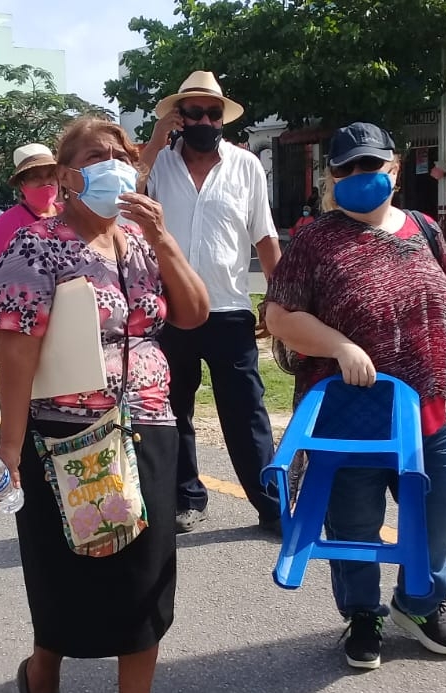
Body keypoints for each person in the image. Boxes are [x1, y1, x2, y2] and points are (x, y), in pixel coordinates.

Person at [0, 115, 209, 693]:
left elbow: (192, 315)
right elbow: (15, 347)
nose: (111, 163)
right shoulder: (36, 245)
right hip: (67, 436)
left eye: (120, 154)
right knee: (67, 573)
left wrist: (163, 238)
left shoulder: (138, 240)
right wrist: (10, 449)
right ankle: (41, 679)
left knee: (146, 573)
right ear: (67, 175)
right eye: (93, 155)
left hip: (150, 426)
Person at [264, 122, 446, 668]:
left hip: (429, 410)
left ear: (395, 168)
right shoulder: (315, 240)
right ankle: (364, 614)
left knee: (444, 506)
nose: (361, 175)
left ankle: (420, 602)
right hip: (350, 414)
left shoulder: (425, 229)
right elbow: (279, 316)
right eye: (348, 168)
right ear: (332, 176)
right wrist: (338, 345)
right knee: (355, 522)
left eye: (372, 165)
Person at [141, 69, 284, 535]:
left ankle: (272, 506)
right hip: (171, 311)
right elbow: (130, 184)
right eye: (194, 111)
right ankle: (188, 498)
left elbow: (264, 236)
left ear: (223, 118)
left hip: (229, 311)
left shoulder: (245, 166)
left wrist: (278, 299)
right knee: (173, 409)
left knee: (247, 415)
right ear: (179, 117)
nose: (205, 119)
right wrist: (158, 136)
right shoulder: (158, 165)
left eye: (213, 112)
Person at [0, 142, 60, 358]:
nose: (45, 183)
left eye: (50, 175)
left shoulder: (70, 215)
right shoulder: (7, 222)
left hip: (67, 318)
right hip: (24, 322)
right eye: (36, 177)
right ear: (22, 184)